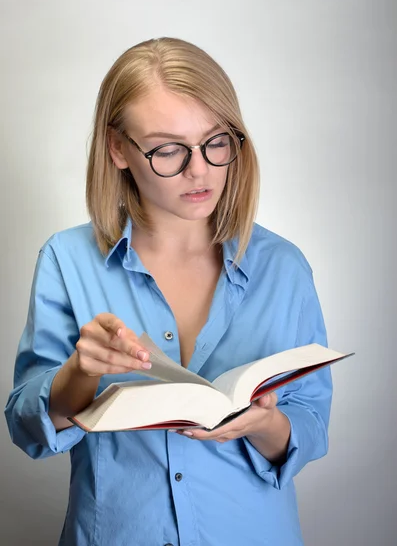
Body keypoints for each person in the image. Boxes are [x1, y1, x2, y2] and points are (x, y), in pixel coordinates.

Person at [4, 37, 332, 546]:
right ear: (117, 149)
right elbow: (27, 429)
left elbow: (311, 422)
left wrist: (264, 424)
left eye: (216, 141)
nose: (199, 170)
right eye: (167, 149)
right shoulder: (67, 259)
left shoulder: (284, 267)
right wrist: (79, 372)